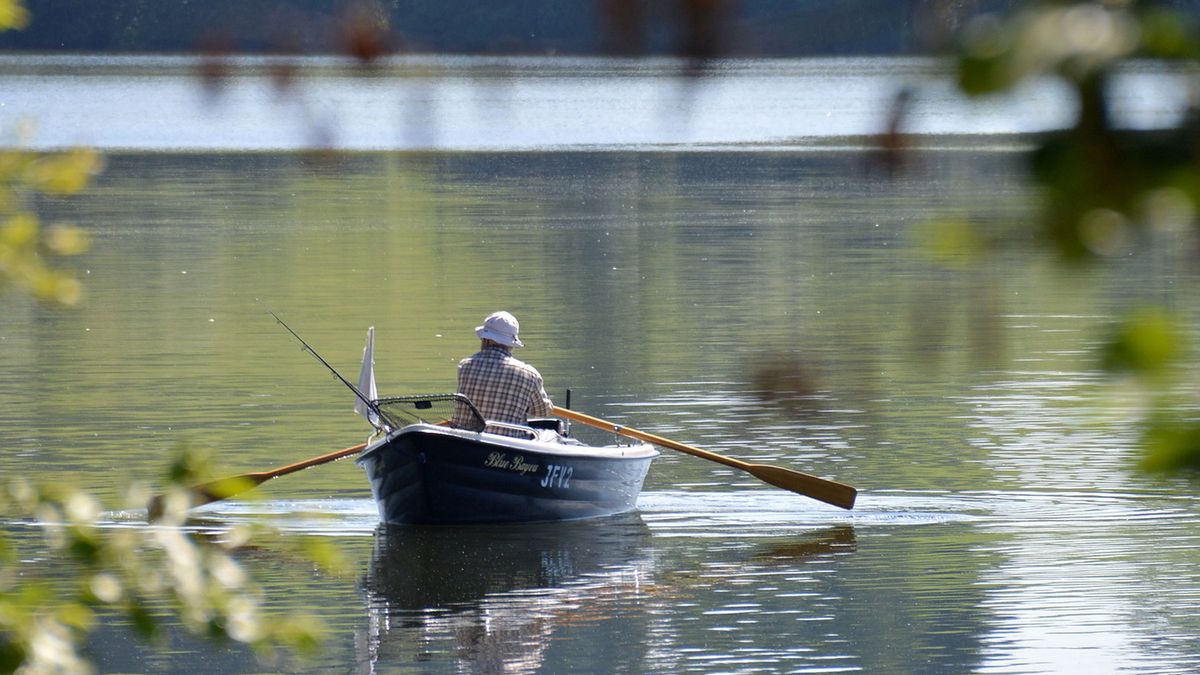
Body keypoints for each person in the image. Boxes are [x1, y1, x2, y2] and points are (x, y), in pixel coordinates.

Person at [450, 311, 554, 437]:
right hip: (508, 443)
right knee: (552, 435)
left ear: (486, 340)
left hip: (465, 440)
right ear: (511, 343)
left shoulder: (465, 366)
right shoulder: (529, 375)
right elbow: (542, 411)